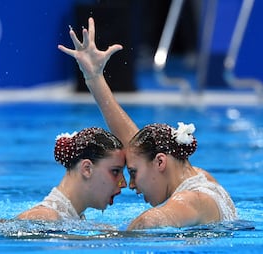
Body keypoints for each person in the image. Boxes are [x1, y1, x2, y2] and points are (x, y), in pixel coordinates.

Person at [58, 17, 237, 229]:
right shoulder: (198, 176)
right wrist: (94, 79)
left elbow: (148, 221)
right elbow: (138, 147)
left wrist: (88, 232)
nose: (131, 185)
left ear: (161, 162)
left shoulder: (190, 200)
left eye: (133, 173)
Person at [16, 127, 127, 221]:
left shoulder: (73, 218)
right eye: (115, 171)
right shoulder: (44, 218)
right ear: (87, 169)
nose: (123, 183)